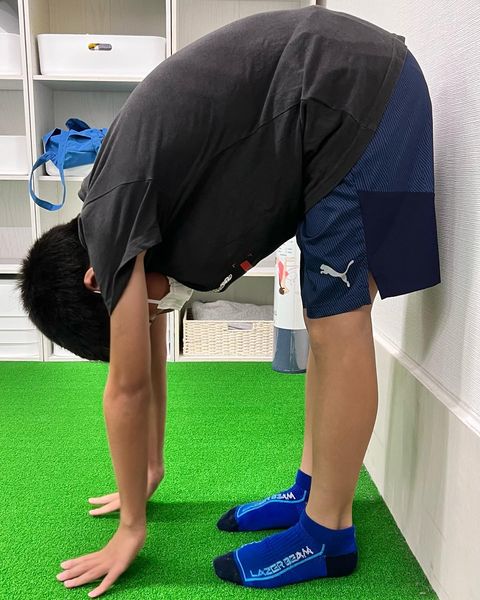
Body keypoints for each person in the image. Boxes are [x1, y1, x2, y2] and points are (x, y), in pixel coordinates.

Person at [17, 4, 441, 596]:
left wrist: (131, 528)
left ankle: (328, 531)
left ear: (95, 281)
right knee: (326, 315)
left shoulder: (111, 223)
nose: (158, 315)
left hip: (360, 96)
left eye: (144, 312)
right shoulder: (113, 212)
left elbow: (128, 388)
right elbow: (146, 360)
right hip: (352, 95)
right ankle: (313, 490)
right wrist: (148, 469)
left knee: (338, 321)